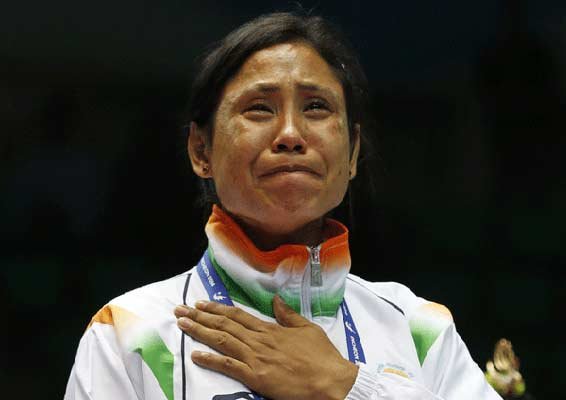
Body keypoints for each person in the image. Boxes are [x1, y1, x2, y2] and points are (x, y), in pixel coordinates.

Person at [64, 11, 502, 400]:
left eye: (316, 107)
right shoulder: (129, 334)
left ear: (352, 154)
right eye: (259, 108)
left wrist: (345, 385)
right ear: (201, 150)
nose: (290, 134)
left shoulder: (419, 329)